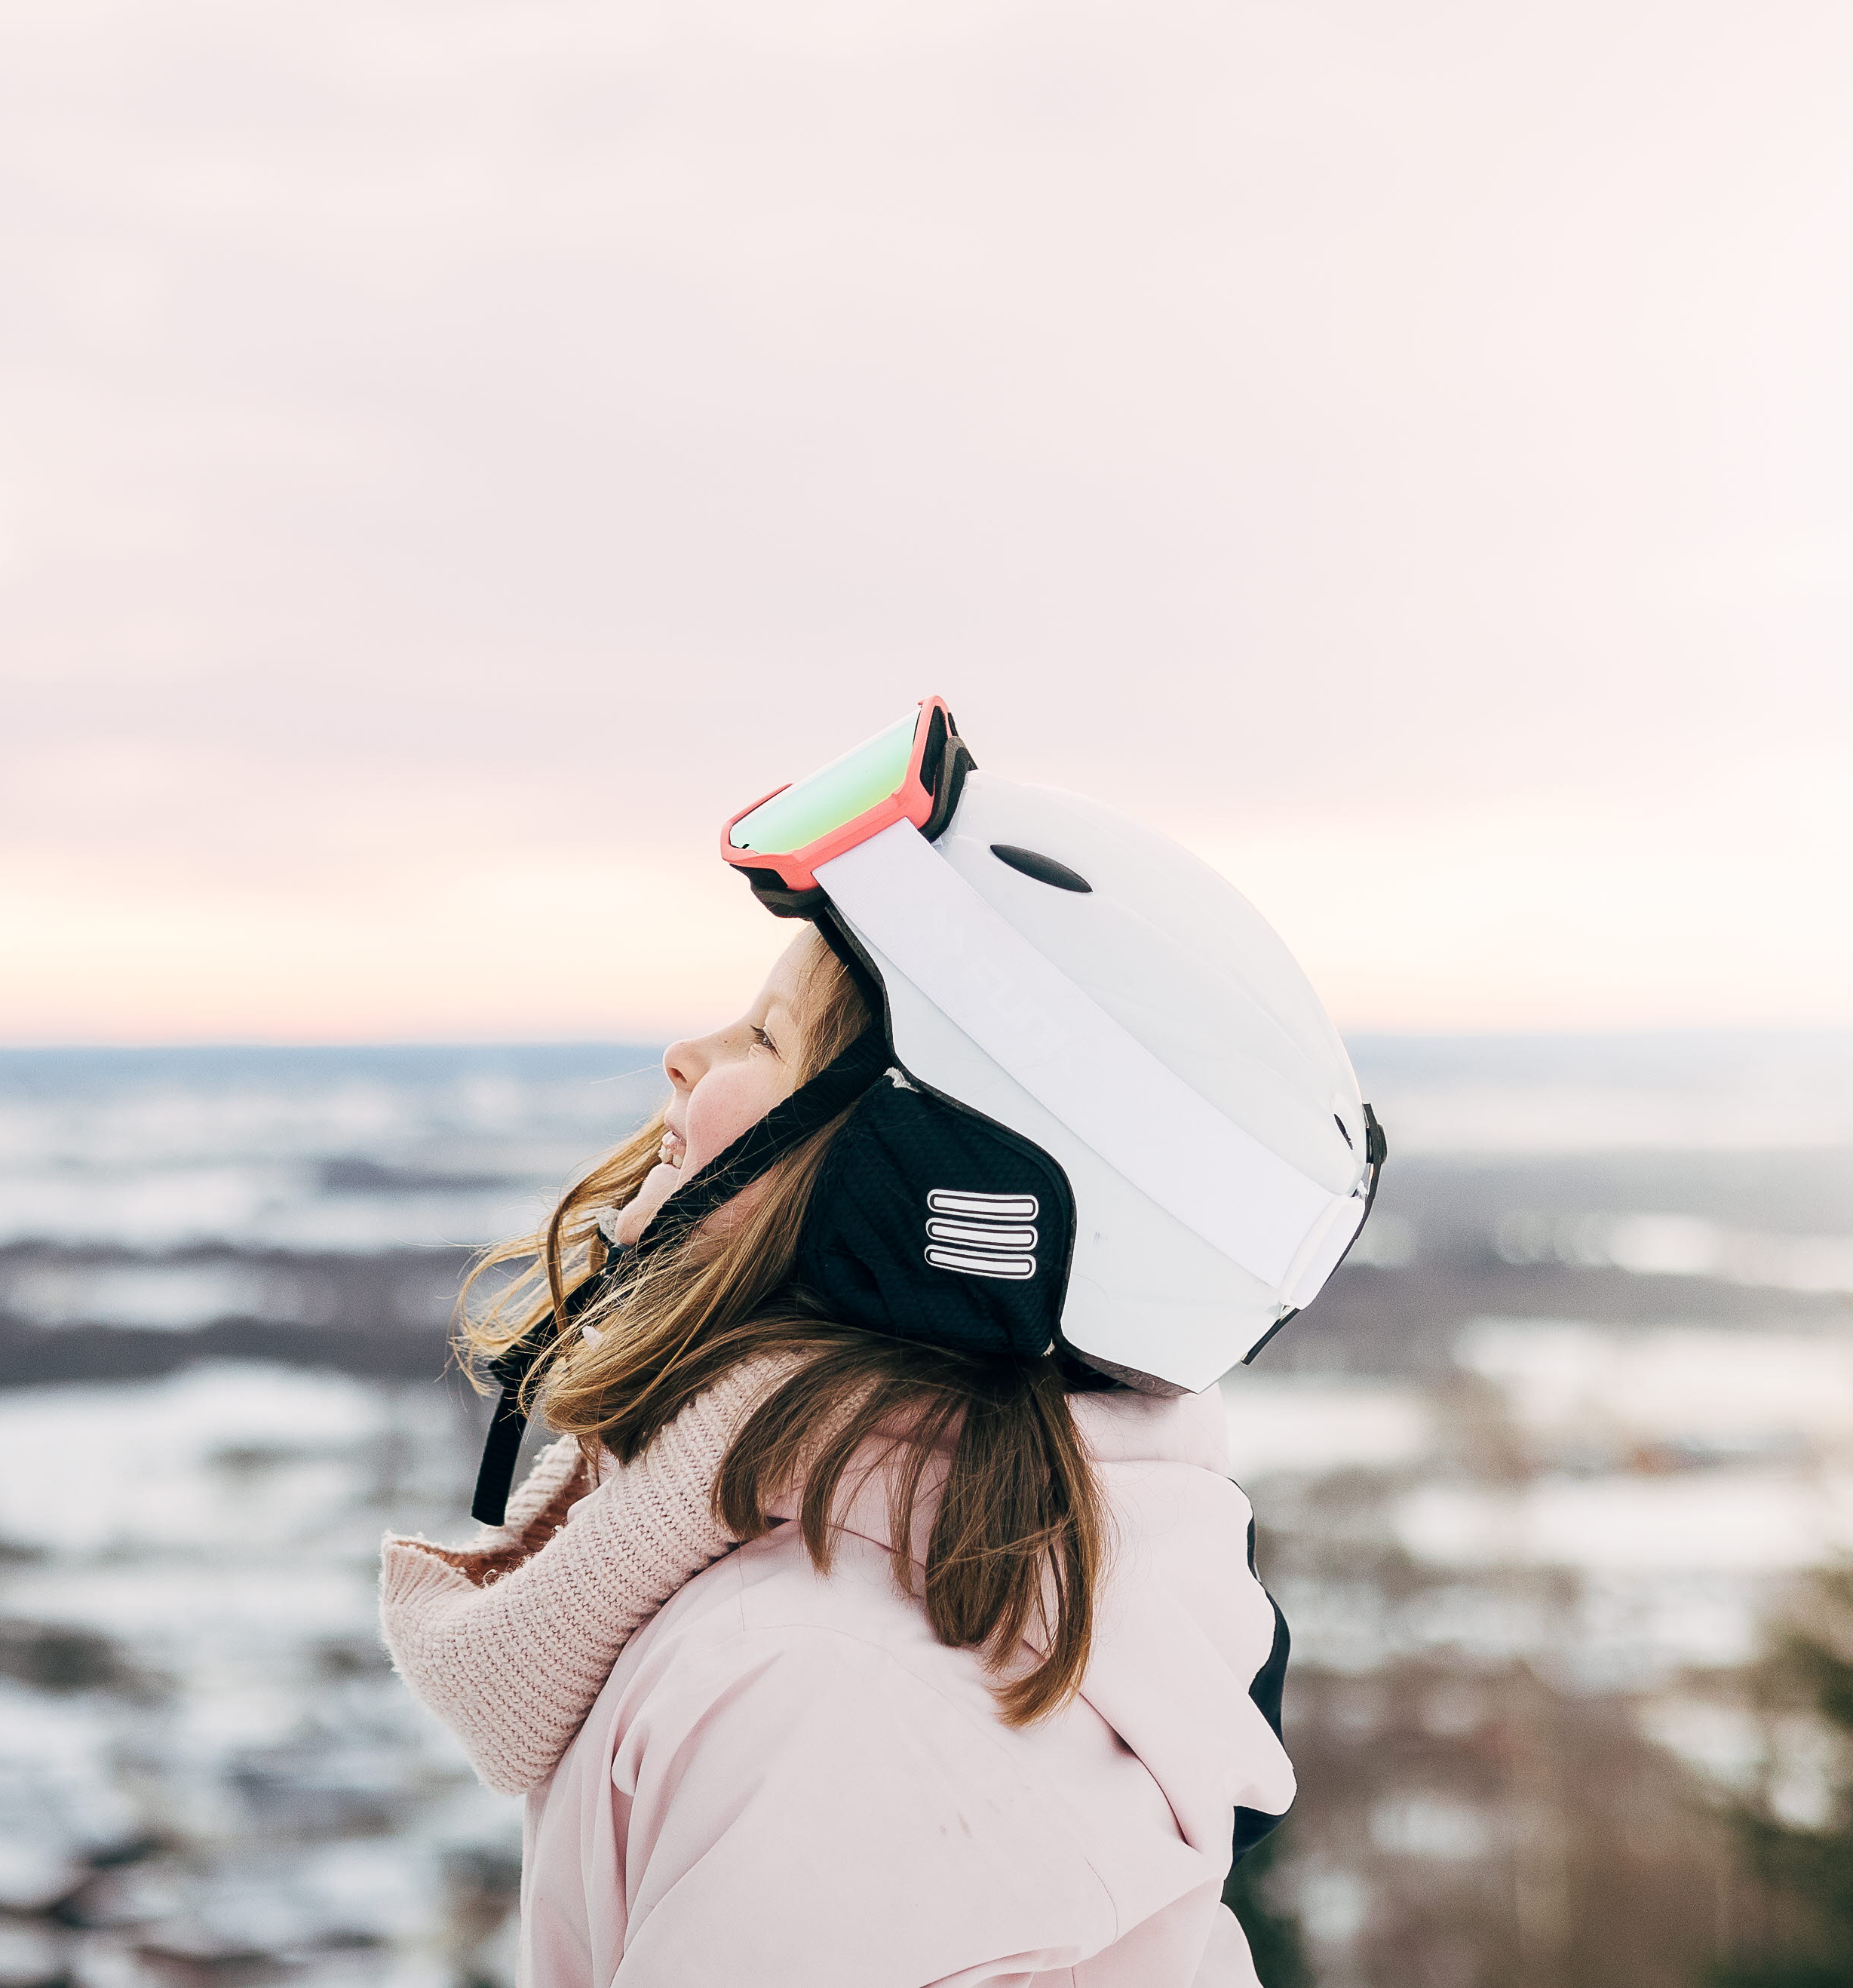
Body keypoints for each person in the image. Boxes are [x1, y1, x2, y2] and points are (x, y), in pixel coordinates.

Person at [380, 700, 1385, 1988]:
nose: (683, 1057)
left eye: (765, 1040)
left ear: (930, 1194)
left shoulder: (833, 1694)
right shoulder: (928, 1589)